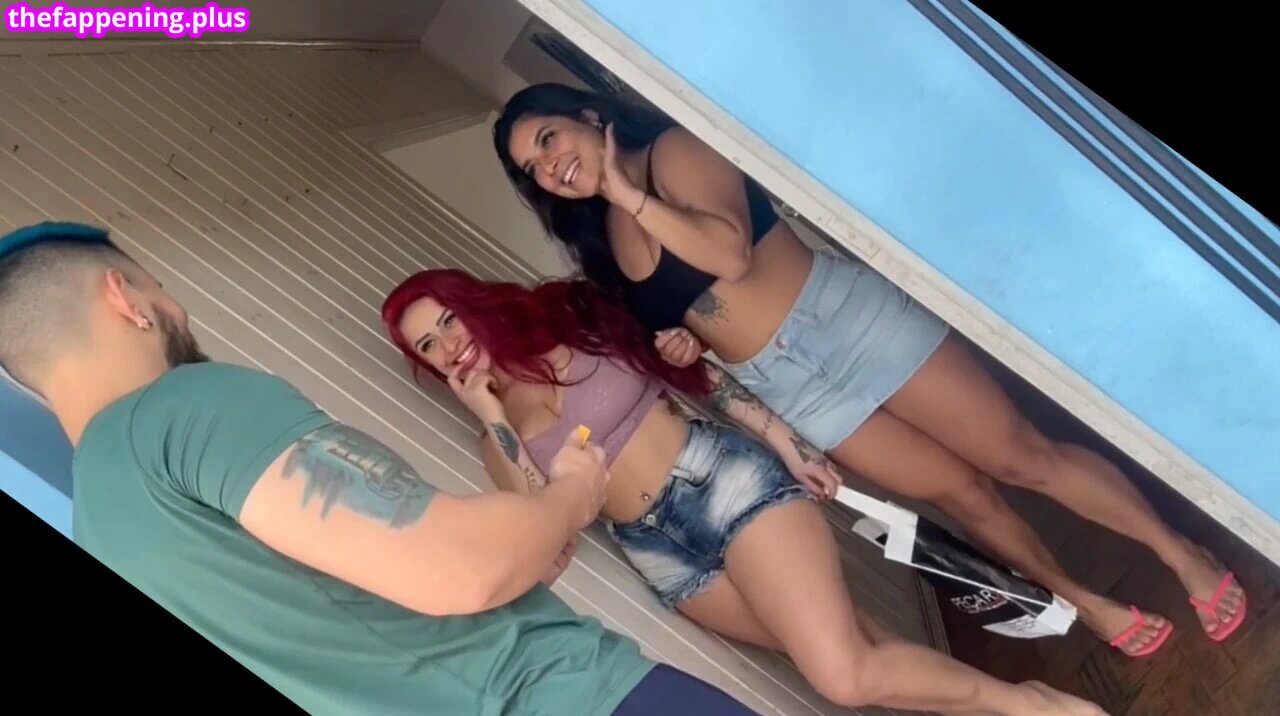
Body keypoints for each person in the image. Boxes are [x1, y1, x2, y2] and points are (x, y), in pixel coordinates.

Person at [490, 83, 1247, 658]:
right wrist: (683, 345)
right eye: (533, 169)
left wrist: (628, 193)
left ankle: (1181, 554)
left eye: (548, 138)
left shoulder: (674, 152)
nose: (550, 167)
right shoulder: (602, 245)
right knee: (963, 497)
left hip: (844, 320)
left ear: (590, 116)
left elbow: (729, 254)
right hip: (789, 384)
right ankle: (1084, 599)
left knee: (1023, 457)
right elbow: (689, 321)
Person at [0, 221, 761, 716]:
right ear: (124, 296)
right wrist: (570, 495)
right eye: (162, 288)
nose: (176, 307)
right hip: (556, 696)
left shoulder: (98, 525)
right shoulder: (183, 406)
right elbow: (459, 568)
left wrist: (525, 540)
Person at [381, 266, 1106, 716]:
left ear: (470, 302)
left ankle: (1034, 709)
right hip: (664, 558)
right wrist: (489, 414)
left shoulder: (567, 314)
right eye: (429, 346)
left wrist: (784, 441)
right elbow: (547, 528)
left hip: (721, 483)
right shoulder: (493, 440)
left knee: (843, 676)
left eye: (446, 320)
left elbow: (692, 375)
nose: (449, 344)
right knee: (865, 648)